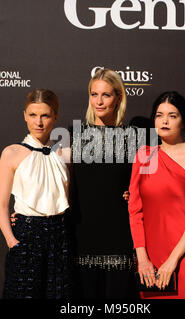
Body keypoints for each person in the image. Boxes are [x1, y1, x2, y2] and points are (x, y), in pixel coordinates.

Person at [128, 91, 185, 299]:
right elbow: (135, 210)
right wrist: (142, 258)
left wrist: (173, 260)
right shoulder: (144, 156)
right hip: (150, 259)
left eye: (172, 115)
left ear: (183, 121)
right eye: (159, 115)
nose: (164, 121)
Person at [70, 68, 141, 299]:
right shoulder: (74, 135)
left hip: (119, 236)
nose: (99, 101)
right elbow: (53, 178)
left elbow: (149, 185)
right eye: (94, 94)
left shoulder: (134, 137)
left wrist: (137, 194)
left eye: (106, 95)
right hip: (82, 235)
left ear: (118, 97)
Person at [0, 89, 72, 299]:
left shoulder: (65, 154)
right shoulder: (11, 153)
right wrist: (12, 242)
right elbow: (1, 206)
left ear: (55, 116)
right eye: (32, 115)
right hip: (26, 235)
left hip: (60, 237)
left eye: (45, 115)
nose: (38, 122)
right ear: (24, 116)